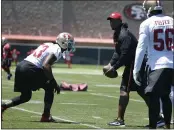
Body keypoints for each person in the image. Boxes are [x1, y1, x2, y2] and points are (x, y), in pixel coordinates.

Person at [1, 32, 76, 122]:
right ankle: (46, 116)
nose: (71, 45)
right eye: (70, 43)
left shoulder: (48, 44)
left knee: (26, 96)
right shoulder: (57, 49)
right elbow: (46, 65)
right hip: (31, 68)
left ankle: (3, 106)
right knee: (50, 87)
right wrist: (53, 82)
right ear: (63, 43)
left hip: (21, 66)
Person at [133, 0, 173, 129]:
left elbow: (141, 47)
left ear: (149, 9)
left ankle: (152, 126)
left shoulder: (146, 23)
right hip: (172, 63)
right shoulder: (171, 20)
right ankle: (167, 124)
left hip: (158, 64)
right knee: (166, 95)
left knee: (152, 95)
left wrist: (136, 69)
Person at [105, 12, 149, 127]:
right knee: (142, 91)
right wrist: (110, 64)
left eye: (113, 20)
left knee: (124, 90)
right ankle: (158, 116)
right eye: (110, 20)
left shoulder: (124, 35)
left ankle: (120, 120)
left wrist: (114, 68)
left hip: (135, 64)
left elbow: (125, 55)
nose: (111, 23)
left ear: (119, 22)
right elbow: (117, 52)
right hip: (134, 64)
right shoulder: (117, 33)